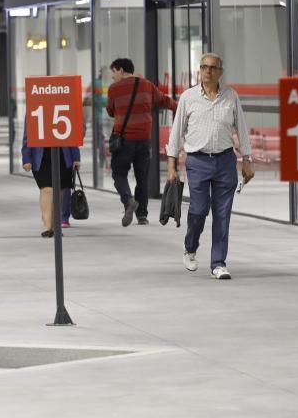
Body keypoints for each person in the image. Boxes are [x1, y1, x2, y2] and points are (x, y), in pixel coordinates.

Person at [166, 52, 254, 281]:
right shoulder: (188, 98)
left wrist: (247, 159)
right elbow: (176, 132)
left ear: (220, 72)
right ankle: (190, 246)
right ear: (199, 70)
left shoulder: (231, 96)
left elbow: (242, 129)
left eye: (213, 67)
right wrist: (171, 164)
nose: (208, 71)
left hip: (225, 161)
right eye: (204, 67)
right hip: (197, 161)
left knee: (222, 214)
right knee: (198, 210)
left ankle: (218, 263)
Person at [105, 57, 177, 227]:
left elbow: (110, 111)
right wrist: (181, 107)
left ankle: (128, 200)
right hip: (144, 140)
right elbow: (164, 101)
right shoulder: (147, 85)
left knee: (119, 173)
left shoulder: (114, 89)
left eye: (113, 72)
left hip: (124, 140)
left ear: (121, 70)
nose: (112, 77)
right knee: (142, 177)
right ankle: (142, 216)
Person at [21, 130, 80, 238]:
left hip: (63, 153)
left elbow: (72, 132)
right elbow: (28, 134)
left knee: (59, 190)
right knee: (47, 189)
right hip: (41, 155)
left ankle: (55, 225)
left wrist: (76, 157)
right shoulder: (33, 112)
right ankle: (48, 227)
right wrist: (26, 158)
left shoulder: (65, 111)